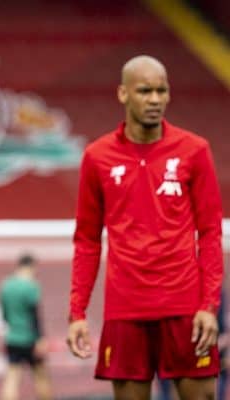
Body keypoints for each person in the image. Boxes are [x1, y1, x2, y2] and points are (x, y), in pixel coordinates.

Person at [67, 55, 224, 400]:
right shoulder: (97, 157)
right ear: (123, 94)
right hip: (126, 309)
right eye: (144, 91)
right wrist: (77, 312)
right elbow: (87, 240)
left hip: (185, 308)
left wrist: (208, 307)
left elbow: (211, 232)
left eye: (161, 91)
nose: (155, 100)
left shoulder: (194, 151)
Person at [0, 254, 52, 400]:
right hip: (29, 338)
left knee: (12, 377)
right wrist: (40, 338)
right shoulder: (31, 286)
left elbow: (4, 315)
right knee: (41, 376)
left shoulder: (5, 285)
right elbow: (34, 315)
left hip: (12, 337)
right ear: (30, 266)